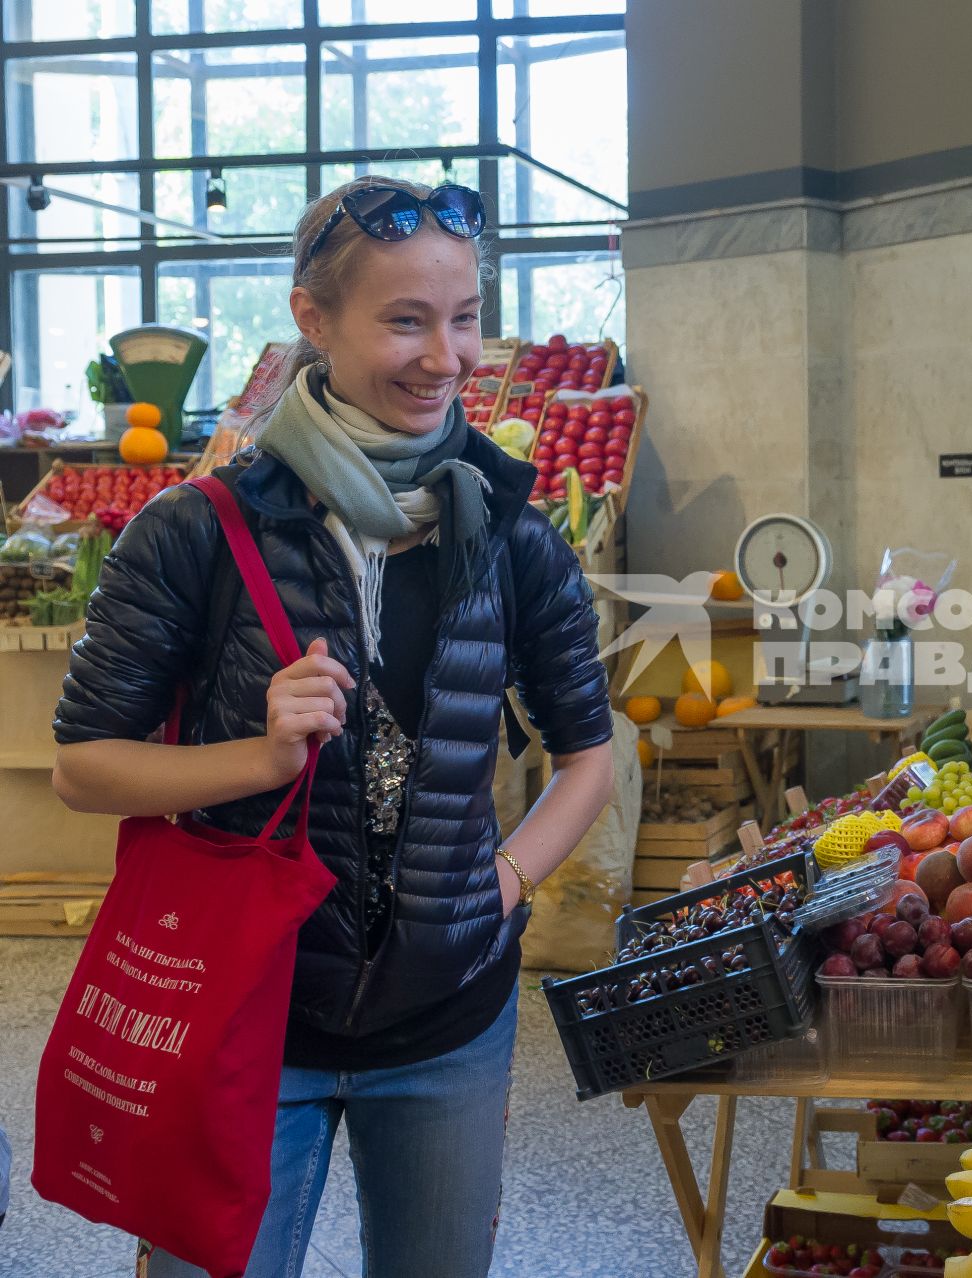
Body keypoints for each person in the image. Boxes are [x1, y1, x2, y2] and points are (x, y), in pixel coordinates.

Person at [50, 175, 615, 1278]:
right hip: (242, 1021)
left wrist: (502, 885)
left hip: (451, 1025)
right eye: (405, 320)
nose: (445, 357)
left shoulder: (512, 536)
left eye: (463, 319)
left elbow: (588, 752)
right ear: (313, 319)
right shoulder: (196, 534)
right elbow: (81, 767)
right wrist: (257, 757)